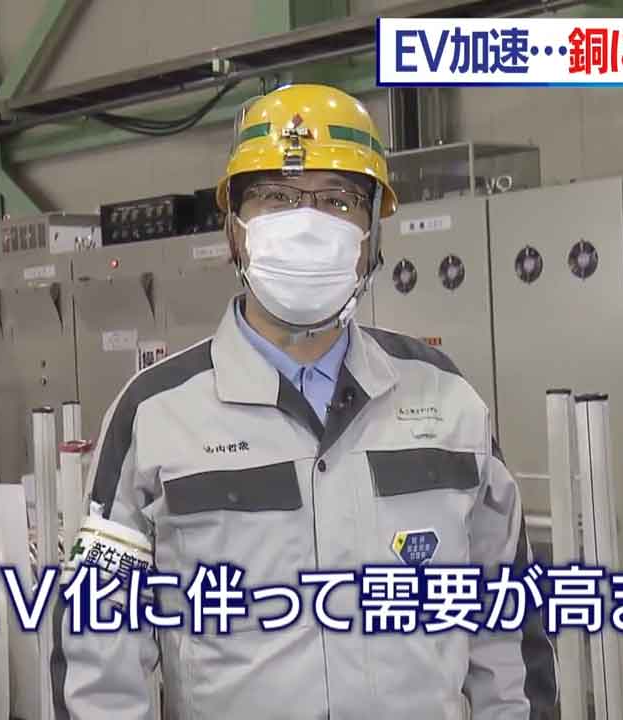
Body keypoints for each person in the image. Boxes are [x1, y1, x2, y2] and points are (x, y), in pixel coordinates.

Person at [54, 83, 557, 719]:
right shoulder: (154, 414)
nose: (307, 222)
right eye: (275, 197)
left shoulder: (446, 399)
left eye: (339, 201)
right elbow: (99, 653)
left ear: (373, 234)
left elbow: (506, 629)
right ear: (234, 231)